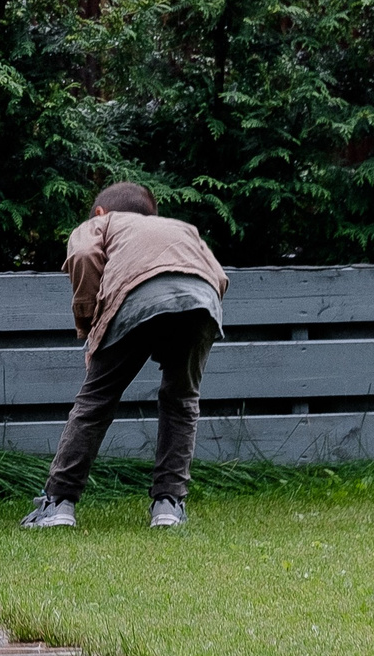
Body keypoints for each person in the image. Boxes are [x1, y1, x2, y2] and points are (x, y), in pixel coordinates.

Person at [21, 182, 229, 531]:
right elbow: (219, 277)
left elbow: (85, 256)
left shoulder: (102, 224)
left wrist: (90, 331)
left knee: (96, 402)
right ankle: (168, 506)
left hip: (136, 297)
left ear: (101, 212)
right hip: (202, 300)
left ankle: (58, 503)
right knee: (181, 400)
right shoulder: (182, 229)